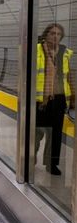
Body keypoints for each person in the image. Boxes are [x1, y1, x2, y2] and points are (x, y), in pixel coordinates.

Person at [35, 23, 74, 176]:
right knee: (36, 133)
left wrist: (73, 96)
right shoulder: (36, 50)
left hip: (59, 98)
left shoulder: (64, 52)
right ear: (46, 34)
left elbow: (69, 74)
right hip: (39, 99)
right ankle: (30, 159)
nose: (55, 36)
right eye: (52, 33)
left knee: (56, 133)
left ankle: (52, 164)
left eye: (58, 34)